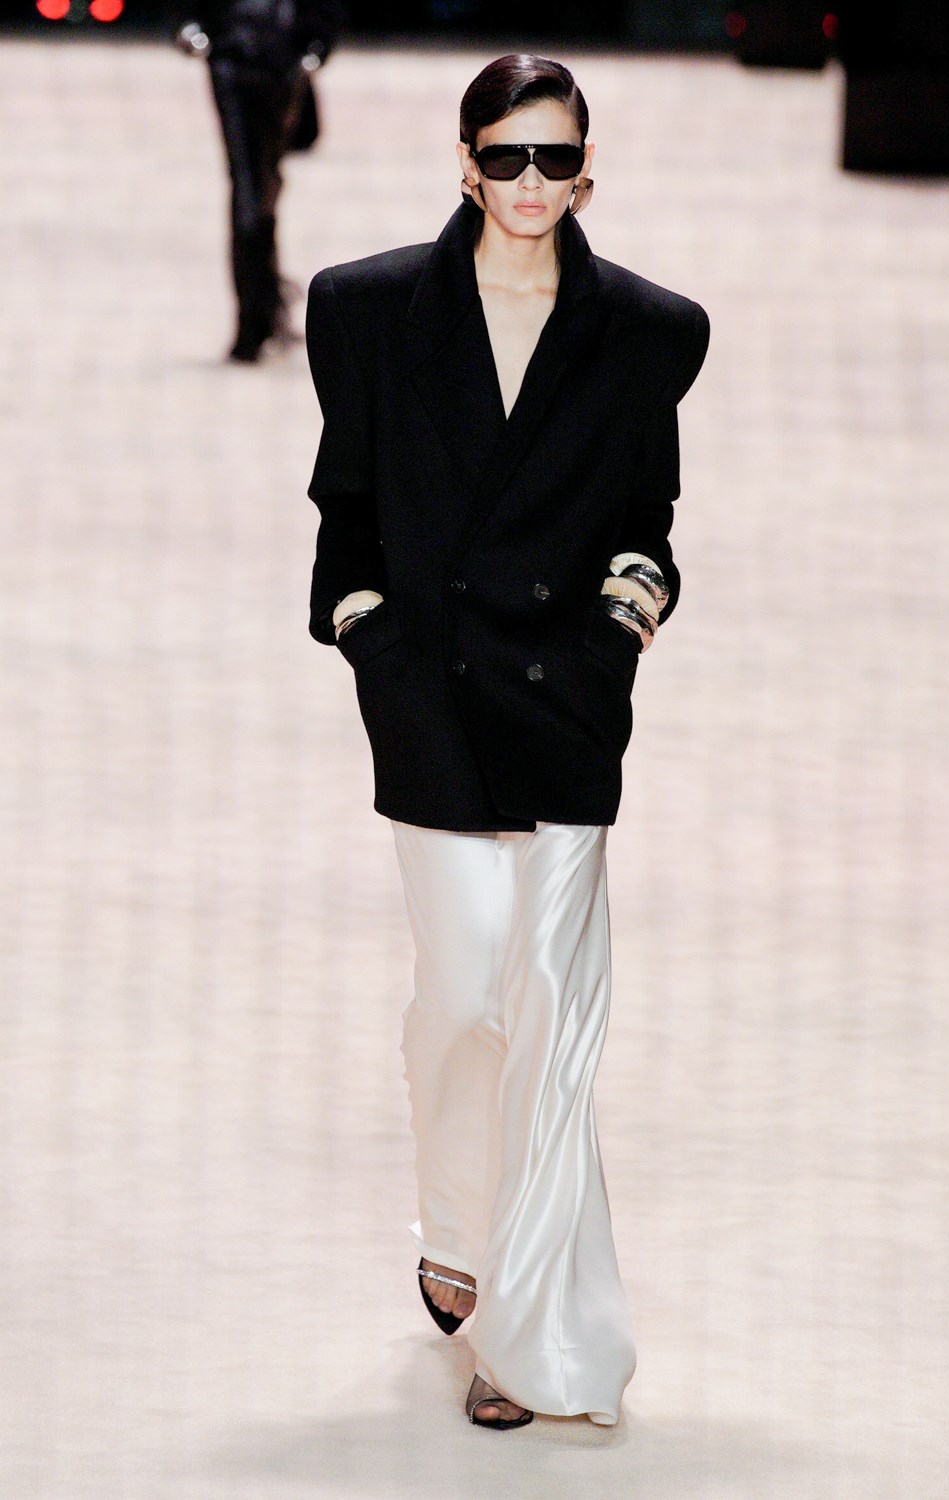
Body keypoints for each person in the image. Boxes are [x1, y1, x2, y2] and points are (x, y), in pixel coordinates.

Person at [304, 54, 709, 1429]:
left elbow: (648, 527)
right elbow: (345, 515)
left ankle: (521, 1333)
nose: (531, 181)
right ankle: (451, 1221)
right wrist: (374, 646)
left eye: (555, 157)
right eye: (506, 155)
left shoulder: (650, 331)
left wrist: (614, 639)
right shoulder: (366, 311)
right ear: (465, 162)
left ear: (588, 168)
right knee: (464, 1001)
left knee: (546, 1020)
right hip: (433, 703)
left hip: (566, 713)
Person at [173, 0, 344, 361]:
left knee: (258, 184)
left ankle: (261, 314)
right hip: (242, 61)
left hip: (274, 60)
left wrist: (317, 44)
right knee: (254, 186)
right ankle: (258, 316)